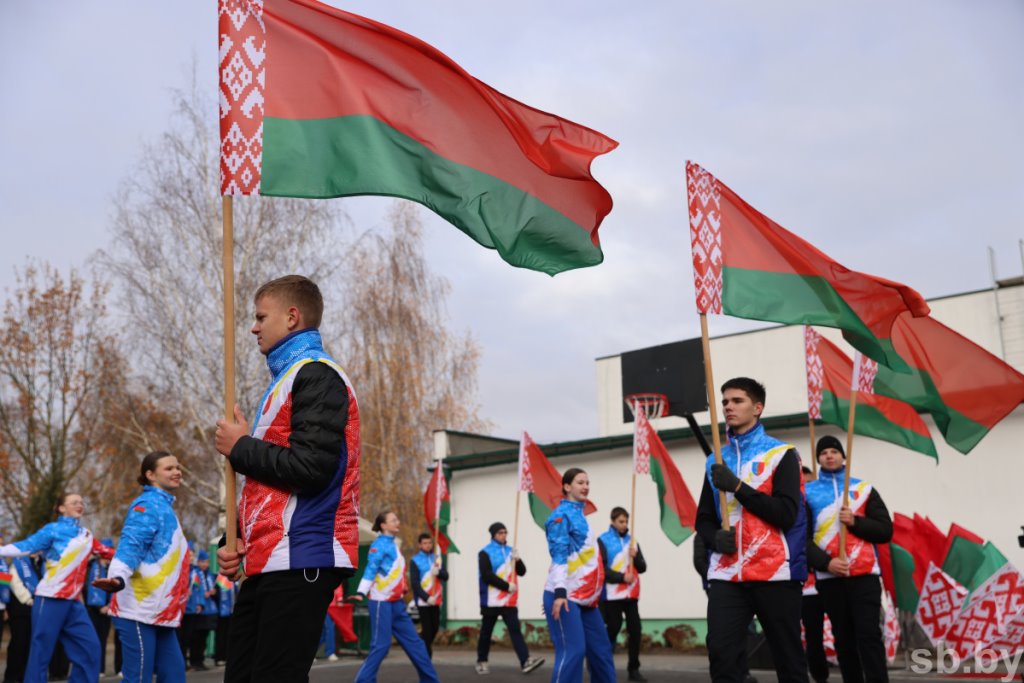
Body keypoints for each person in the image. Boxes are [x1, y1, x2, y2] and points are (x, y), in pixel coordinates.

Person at [214, 274, 361, 683]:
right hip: (271, 561)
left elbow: (311, 470)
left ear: (292, 317)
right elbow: (267, 489)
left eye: (261, 317)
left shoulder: (317, 375)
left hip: (303, 557)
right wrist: (236, 537)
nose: (253, 326)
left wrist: (240, 448)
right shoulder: (286, 381)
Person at [694, 377, 809, 683]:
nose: (728, 407)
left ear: (757, 408)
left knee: (788, 659)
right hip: (727, 574)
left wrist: (738, 486)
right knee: (721, 654)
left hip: (775, 573)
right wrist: (714, 539)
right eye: (725, 402)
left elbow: (786, 514)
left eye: (737, 401)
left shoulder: (782, 454)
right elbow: (703, 519)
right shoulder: (715, 460)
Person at [93, 451, 189, 683]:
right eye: (169, 468)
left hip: (161, 612)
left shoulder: (165, 508)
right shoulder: (147, 505)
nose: (177, 472)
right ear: (150, 474)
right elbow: (130, 545)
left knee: (175, 677)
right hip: (139, 610)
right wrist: (117, 577)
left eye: (178, 468)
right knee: (138, 680)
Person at [0, 493, 114, 683]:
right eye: (74, 502)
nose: (80, 505)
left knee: (91, 648)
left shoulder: (86, 535)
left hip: (73, 602)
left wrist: (136, 559)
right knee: (41, 652)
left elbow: (107, 552)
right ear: (61, 508)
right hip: (50, 598)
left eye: (81, 502)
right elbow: (26, 546)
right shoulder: (52, 530)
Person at [805, 435, 893, 683]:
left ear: (844, 455)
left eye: (834, 451)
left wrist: (856, 522)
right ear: (818, 458)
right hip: (830, 578)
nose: (830, 455)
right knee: (844, 639)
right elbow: (801, 539)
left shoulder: (863, 489)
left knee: (868, 635)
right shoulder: (807, 493)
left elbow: (885, 531)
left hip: (865, 575)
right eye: (824, 453)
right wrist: (825, 563)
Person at [543, 468, 616, 683]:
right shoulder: (559, 517)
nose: (585, 486)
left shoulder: (580, 516)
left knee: (601, 652)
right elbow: (558, 556)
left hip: (586, 599)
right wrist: (559, 592)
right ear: (567, 487)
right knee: (573, 652)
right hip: (566, 597)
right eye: (580, 482)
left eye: (587, 482)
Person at [349, 511, 440, 683]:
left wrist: (403, 588)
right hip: (380, 602)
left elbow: (395, 572)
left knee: (416, 644)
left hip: (396, 603)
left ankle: (431, 681)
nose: (398, 522)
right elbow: (371, 570)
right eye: (393, 520)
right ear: (383, 525)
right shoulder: (378, 545)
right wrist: (361, 592)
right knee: (381, 646)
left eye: (397, 519)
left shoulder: (393, 545)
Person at [476, 522, 544, 675]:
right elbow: (487, 576)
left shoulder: (510, 552)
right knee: (486, 632)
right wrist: (506, 586)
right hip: (490, 601)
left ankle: (525, 661)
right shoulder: (484, 553)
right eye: (500, 533)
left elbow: (522, 572)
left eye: (505, 532)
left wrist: (518, 560)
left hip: (509, 601)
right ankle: (482, 661)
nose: (503, 535)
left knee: (515, 631)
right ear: (493, 534)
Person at [598, 507, 648, 682]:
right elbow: (601, 569)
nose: (624, 524)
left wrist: (637, 557)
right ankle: (600, 661)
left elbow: (642, 567)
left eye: (626, 521)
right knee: (613, 628)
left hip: (631, 594)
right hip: (611, 595)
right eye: (620, 521)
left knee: (636, 630)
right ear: (613, 521)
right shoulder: (603, 540)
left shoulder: (632, 542)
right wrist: (621, 577)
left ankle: (633, 669)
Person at [800, 466, 829, 683]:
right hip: (802, 586)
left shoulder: (825, 510)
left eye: (810, 484)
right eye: (803, 486)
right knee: (810, 636)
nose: (807, 491)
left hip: (828, 579)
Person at [409, 532, 448, 658]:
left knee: (435, 628)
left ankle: (420, 644)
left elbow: (446, 576)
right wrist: (426, 597)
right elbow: (415, 584)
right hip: (423, 601)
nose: (428, 545)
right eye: (425, 543)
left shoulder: (437, 558)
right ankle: (426, 656)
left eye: (430, 543)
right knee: (428, 629)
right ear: (420, 545)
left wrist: (439, 572)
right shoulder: (415, 560)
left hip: (436, 599)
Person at [4, 555, 37, 683]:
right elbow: (12, 584)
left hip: (31, 611)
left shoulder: (36, 564)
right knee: (18, 645)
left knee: (28, 645)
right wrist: (29, 600)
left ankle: (24, 676)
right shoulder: (15, 564)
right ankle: (11, 678)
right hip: (19, 610)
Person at [84, 541, 115, 675]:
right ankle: (92, 668)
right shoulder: (91, 567)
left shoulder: (112, 569)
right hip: (92, 610)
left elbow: (115, 589)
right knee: (91, 640)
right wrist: (98, 606)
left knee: (103, 640)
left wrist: (108, 606)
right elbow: (86, 587)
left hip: (107, 610)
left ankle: (101, 669)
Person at [214, 575, 236, 666]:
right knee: (221, 635)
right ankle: (219, 657)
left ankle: (227, 656)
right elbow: (216, 595)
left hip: (231, 611)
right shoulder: (220, 578)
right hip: (222, 612)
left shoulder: (235, 579)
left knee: (229, 635)